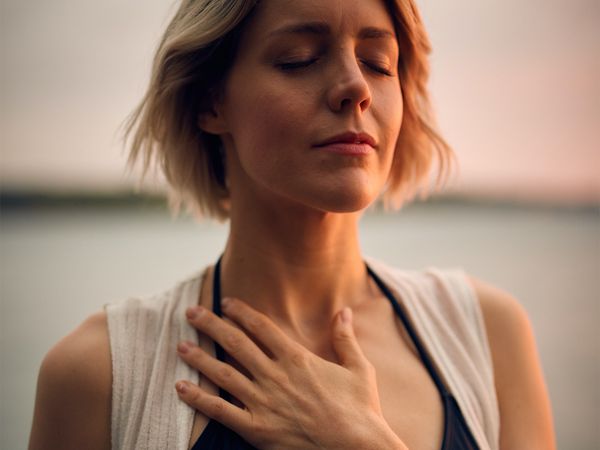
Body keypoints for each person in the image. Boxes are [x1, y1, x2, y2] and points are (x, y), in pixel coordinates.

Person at [28, 0, 556, 449]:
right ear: (211, 101)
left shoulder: (488, 333)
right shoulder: (99, 374)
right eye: (299, 59)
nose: (355, 86)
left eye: (377, 62)